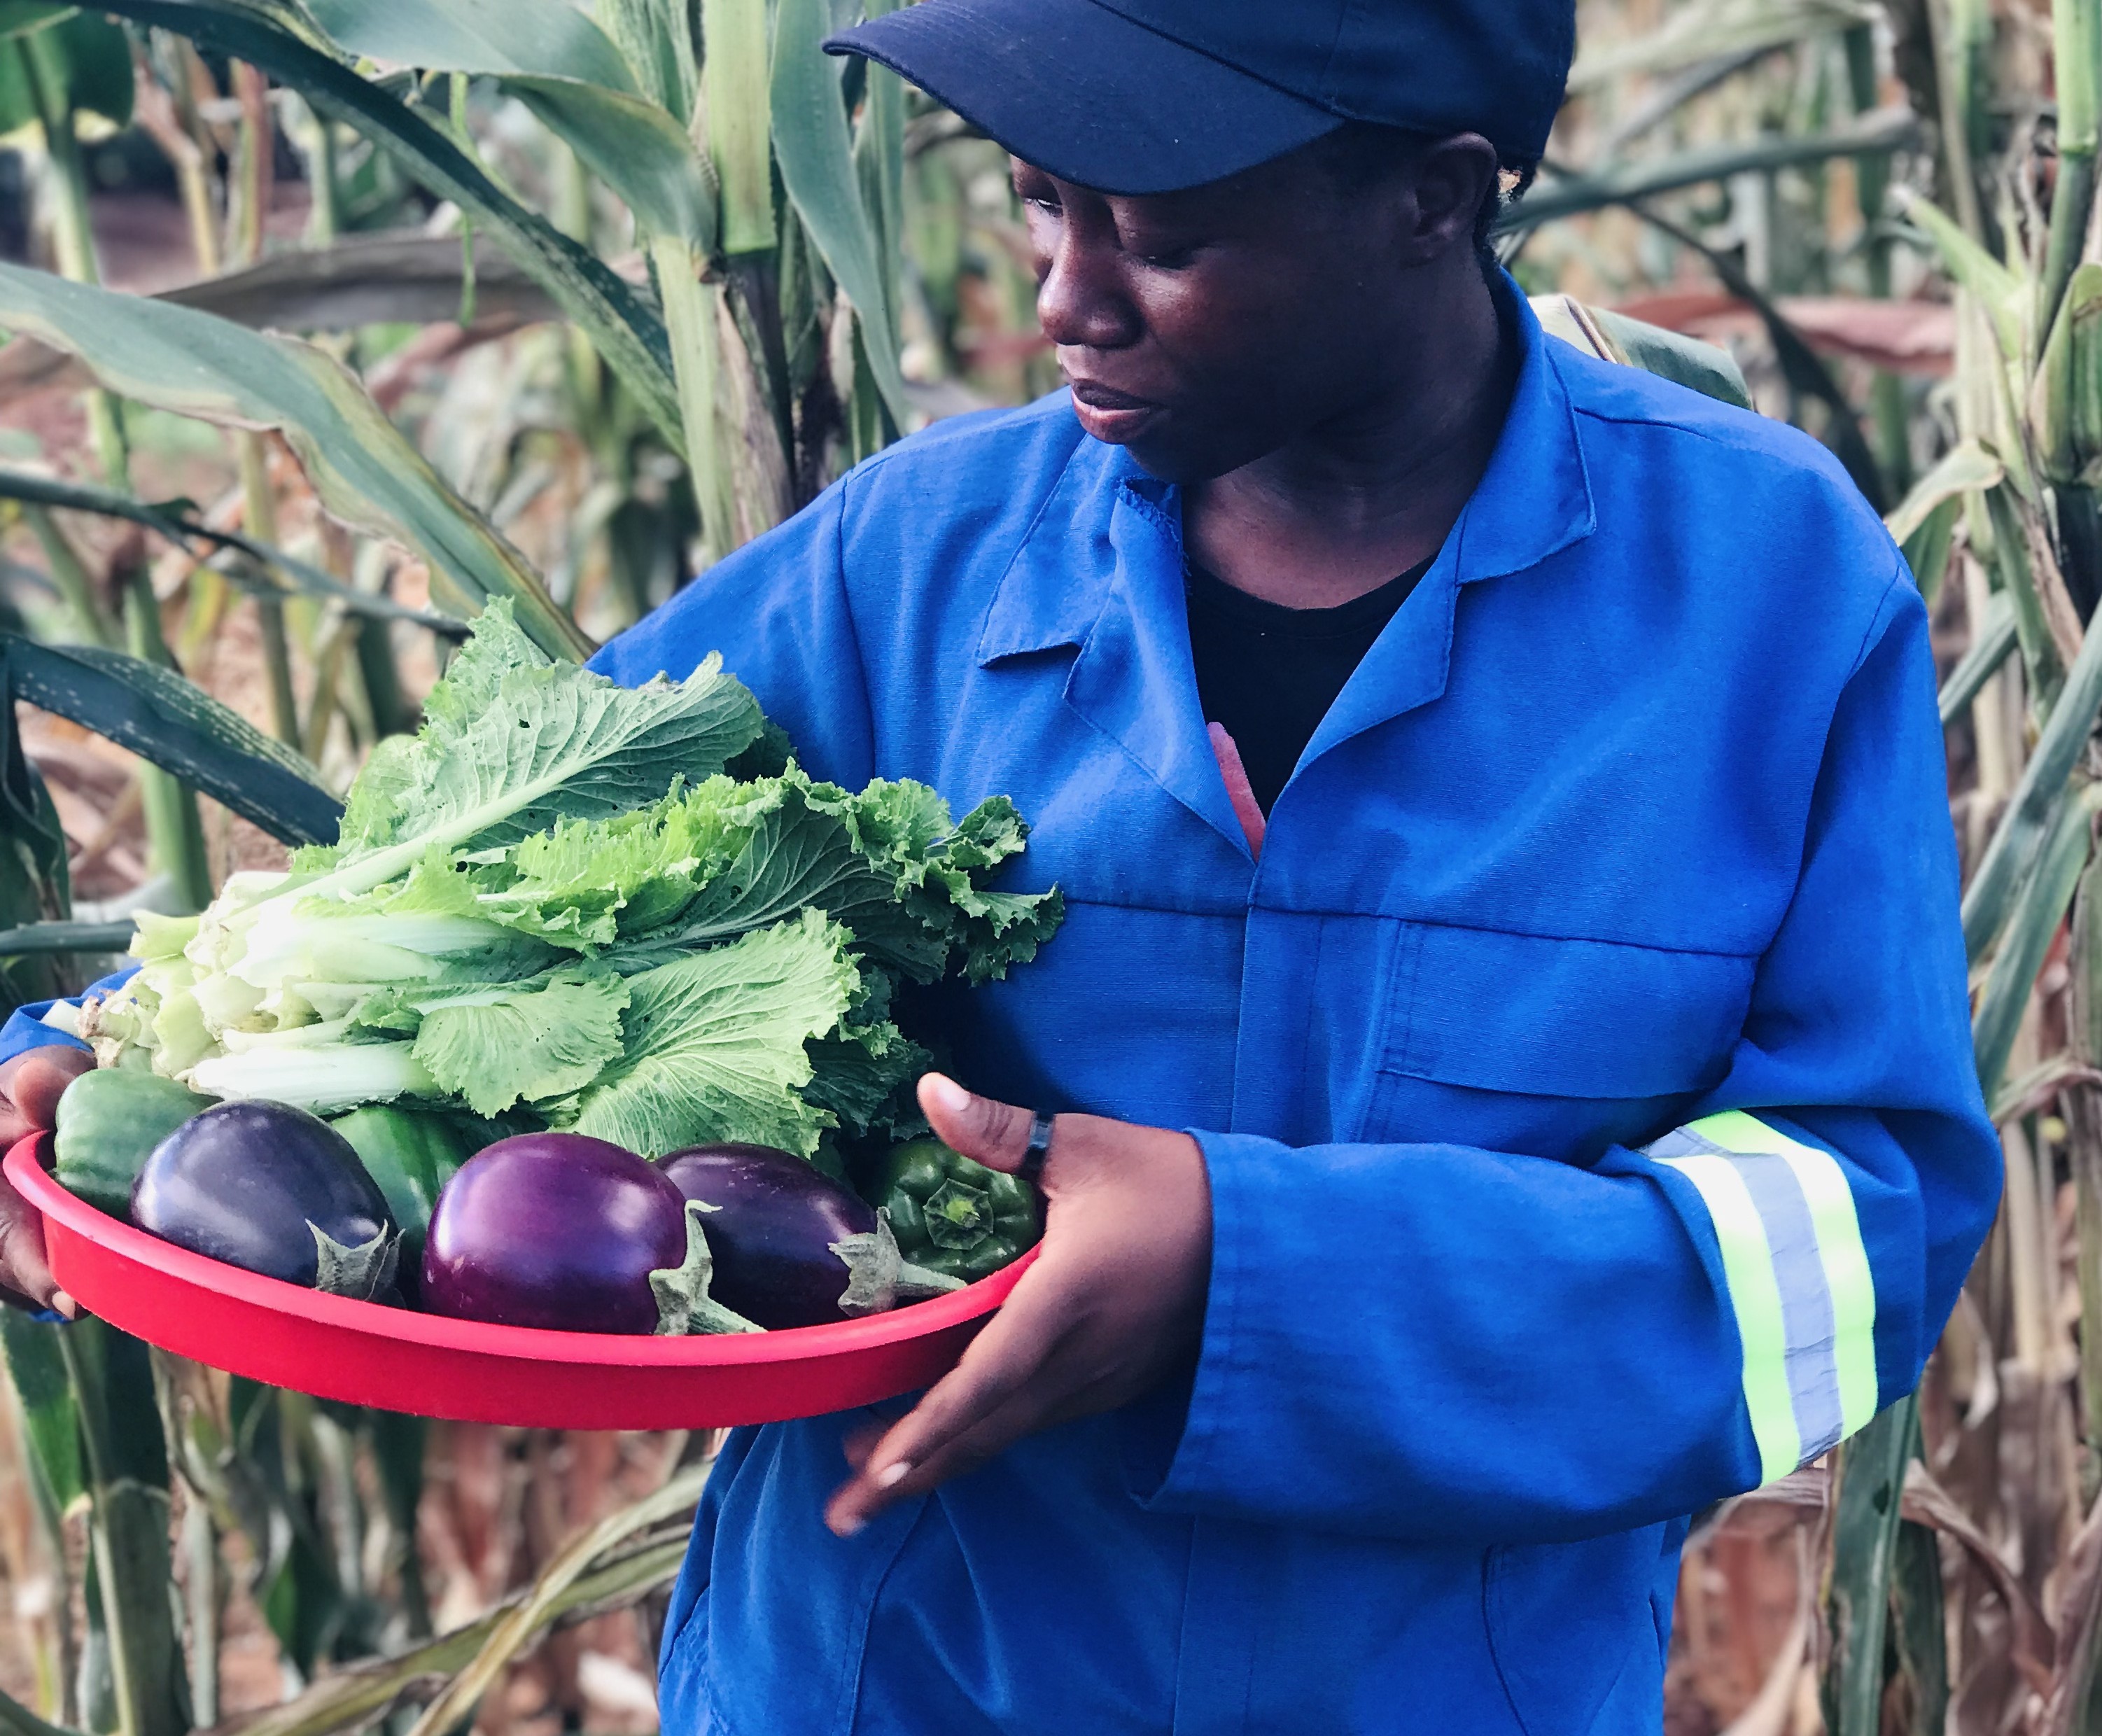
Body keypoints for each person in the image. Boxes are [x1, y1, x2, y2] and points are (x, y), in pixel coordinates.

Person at [0, 1, 2001, 1729]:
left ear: (1435, 198)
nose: (1065, 296)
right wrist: (123, 1043)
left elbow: (1852, 1239)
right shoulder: (912, 565)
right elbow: (469, 886)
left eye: (1165, 235)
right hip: (884, 1680)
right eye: (1043, 204)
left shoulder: (1761, 595)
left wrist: (1247, 1272)